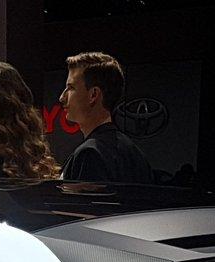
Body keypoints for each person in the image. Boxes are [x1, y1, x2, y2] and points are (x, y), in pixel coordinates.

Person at [58, 52, 154, 184]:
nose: (62, 97)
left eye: (71, 88)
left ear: (93, 95)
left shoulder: (90, 154)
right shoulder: (136, 154)